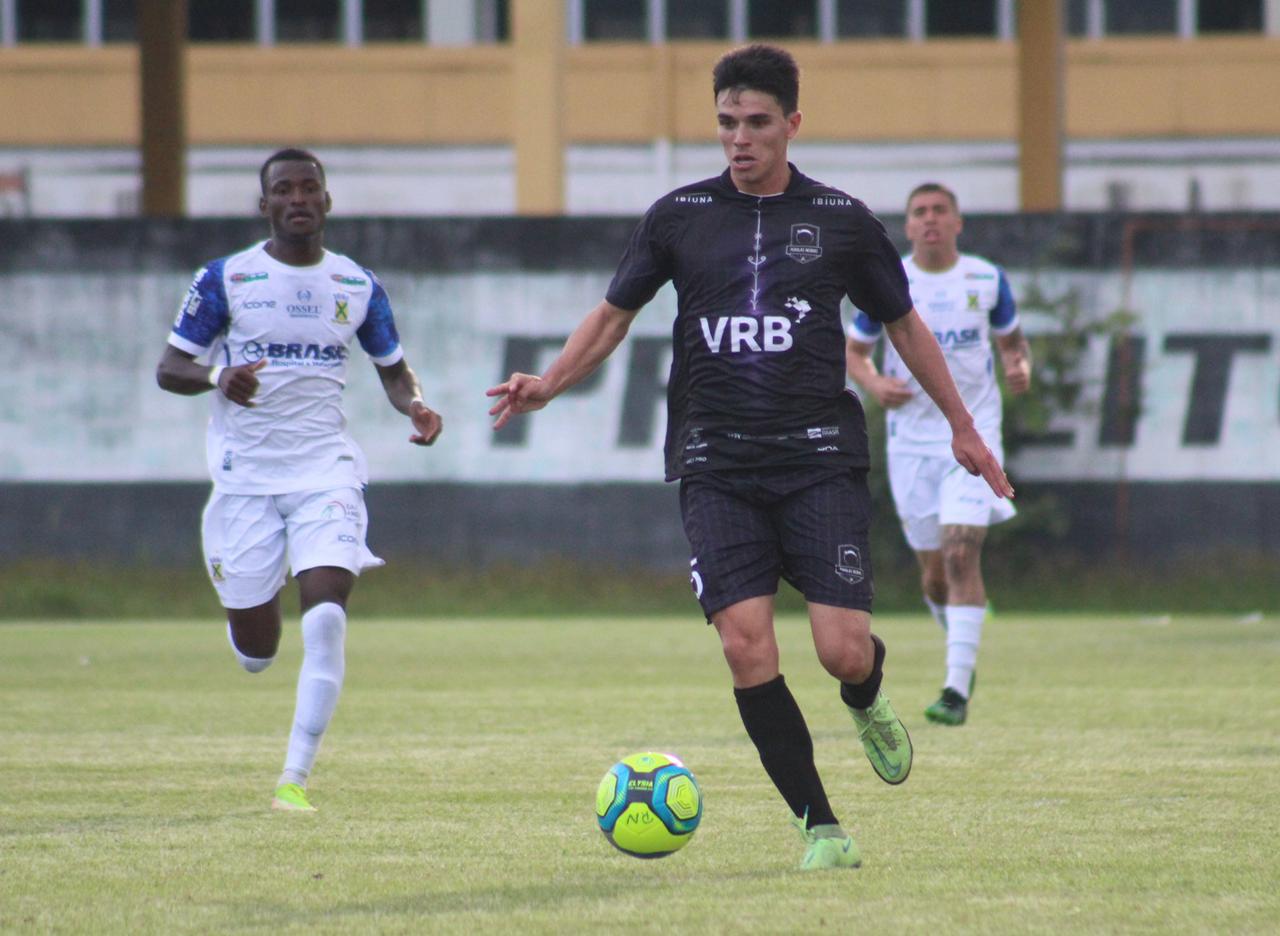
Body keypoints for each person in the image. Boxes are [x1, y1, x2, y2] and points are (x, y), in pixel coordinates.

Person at [487, 46, 1012, 870]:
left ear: (792, 124)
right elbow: (614, 314)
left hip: (817, 458)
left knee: (841, 649)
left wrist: (963, 427)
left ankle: (866, 699)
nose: (740, 139)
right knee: (745, 645)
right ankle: (823, 829)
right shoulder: (679, 215)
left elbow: (905, 326)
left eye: (757, 123)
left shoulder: (842, 218)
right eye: (728, 123)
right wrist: (549, 383)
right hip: (715, 460)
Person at [156, 148, 442, 812]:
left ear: (327, 201)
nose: (297, 198)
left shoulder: (356, 286)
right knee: (258, 653)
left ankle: (294, 780)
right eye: (282, 189)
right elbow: (170, 368)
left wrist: (417, 404)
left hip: (326, 474)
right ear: (265, 206)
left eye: (309, 187)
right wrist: (216, 378)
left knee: (326, 620)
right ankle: (252, 614)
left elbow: (394, 369)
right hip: (245, 482)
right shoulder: (226, 279)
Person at [846, 182, 1031, 727]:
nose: (929, 220)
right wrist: (875, 384)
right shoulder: (890, 280)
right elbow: (856, 352)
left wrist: (1021, 367)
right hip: (912, 445)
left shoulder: (985, 279)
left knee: (960, 553)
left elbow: (1012, 343)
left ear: (957, 221)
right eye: (919, 212)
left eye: (939, 211)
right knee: (933, 577)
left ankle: (954, 690)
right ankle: (961, 647)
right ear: (906, 226)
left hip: (973, 436)